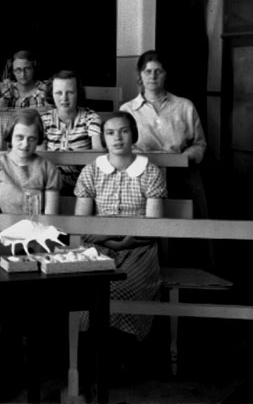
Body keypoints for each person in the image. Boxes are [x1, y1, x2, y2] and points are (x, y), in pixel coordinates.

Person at [74, 111, 167, 388]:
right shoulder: (91, 171)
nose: (117, 137)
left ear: (133, 135)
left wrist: (125, 242)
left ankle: (120, 361)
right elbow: (81, 223)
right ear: (103, 138)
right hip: (97, 247)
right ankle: (91, 365)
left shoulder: (149, 171)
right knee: (88, 291)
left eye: (124, 131)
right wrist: (111, 241)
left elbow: (152, 226)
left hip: (138, 248)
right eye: (110, 132)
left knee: (125, 288)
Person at [0, 109, 61, 402]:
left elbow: (49, 222)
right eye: (19, 137)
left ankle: (30, 374)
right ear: (10, 137)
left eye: (31, 138)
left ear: (38, 139)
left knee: (31, 306)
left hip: (36, 246)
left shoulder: (47, 168)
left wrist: (35, 249)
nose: (24, 144)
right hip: (1, 244)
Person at [120, 50, 206, 164]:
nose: (153, 77)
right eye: (148, 71)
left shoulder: (185, 107)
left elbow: (199, 144)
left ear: (166, 74)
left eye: (158, 71)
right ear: (140, 75)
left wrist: (184, 158)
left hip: (179, 169)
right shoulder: (127, 110)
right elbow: (121, 147)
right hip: (141, 170)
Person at [39, 70, 104, 193]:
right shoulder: (44, 120)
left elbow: (98, 150)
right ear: (51, 94)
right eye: (59, 93)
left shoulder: (90, 117)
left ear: (78, 93)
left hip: (85, 180)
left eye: (70, 92)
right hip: (51, 180)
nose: (64, 98)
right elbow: (40, 155)